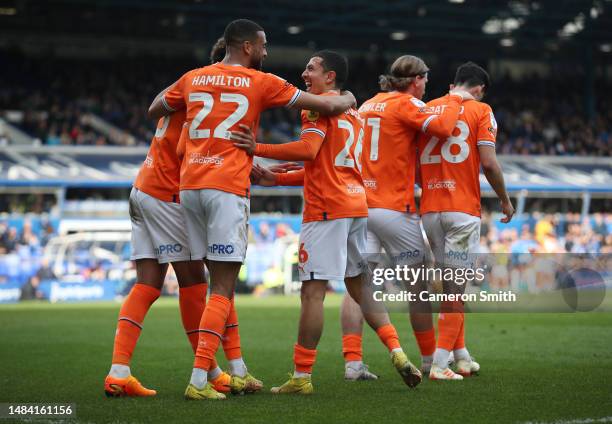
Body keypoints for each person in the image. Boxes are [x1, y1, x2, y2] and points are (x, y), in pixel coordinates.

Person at [147, 19, 356, 400]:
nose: (266, 52)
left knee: (213, 287)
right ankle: (199, 380)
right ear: (246, 46)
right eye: (262, 46)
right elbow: (324, 104)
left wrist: (191, 84)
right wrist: (348, 99)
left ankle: (236, 370)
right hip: (226, 187)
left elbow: (155, 107)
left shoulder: (193, 77)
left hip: (190, 185)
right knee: (224, 288)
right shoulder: (263, 82)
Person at [232, 50, 422, 394]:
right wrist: (278, 180)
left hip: (326, 211)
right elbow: (326, 165)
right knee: (360, 286)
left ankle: (301, 377)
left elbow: (307, 150)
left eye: (311, 68)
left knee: (312, 294)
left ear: (330, 76)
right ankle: (397, 351)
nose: (304, 73)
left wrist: (256, 148)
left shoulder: (316, 105)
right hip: (354, 204)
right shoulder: (351, 112)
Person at [104, 39, 261, 399]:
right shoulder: (212, 98)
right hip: (167, 194)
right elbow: (183, 149)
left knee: (147, 284)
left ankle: (118, 371)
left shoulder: (187, 87)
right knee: (194, 284)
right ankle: (208, 374)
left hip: (143, 188)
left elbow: (161, 114)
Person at [340, 54, 474, 379]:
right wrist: (457, 98)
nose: (426, 86)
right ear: (416, 80)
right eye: (425, 80)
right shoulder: (406, 104)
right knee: (419, 287)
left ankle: (353, 363)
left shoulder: (369, 104)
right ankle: (431, 362)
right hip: (393, 210)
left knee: (358, 286)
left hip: (360, 206)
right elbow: (442, 128)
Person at [418, 62, 514, 380]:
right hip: (461, 211)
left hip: (430, 209)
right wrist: (504, 198)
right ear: (479, 89)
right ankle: (440, 363)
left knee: (449, 287)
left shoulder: (428, 107)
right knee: (456, 289)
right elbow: (488, 162)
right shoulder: (481, 110)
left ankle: (461, 356)